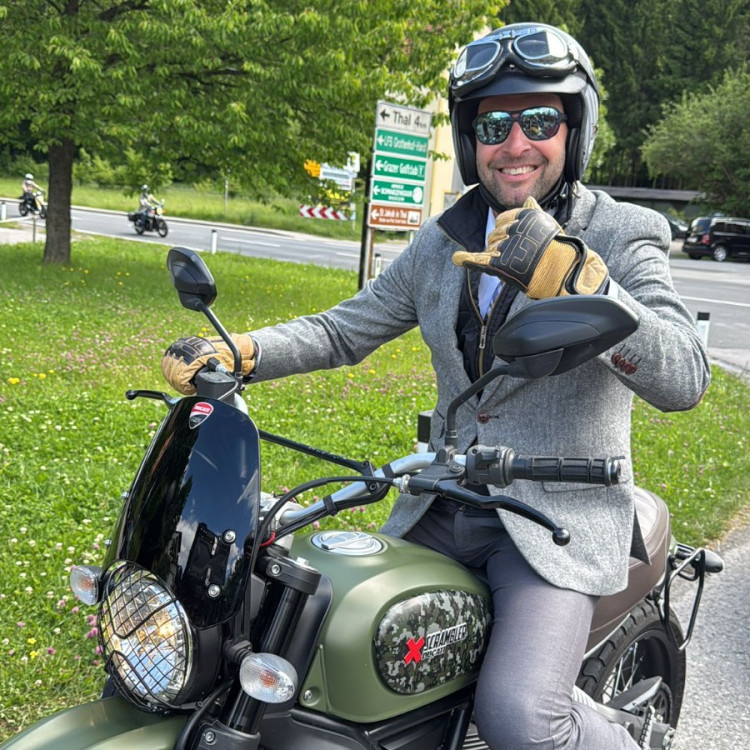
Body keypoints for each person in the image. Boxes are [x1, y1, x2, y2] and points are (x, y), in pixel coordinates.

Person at [161, 22, 710, 750]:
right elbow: (345, 328)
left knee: (521, 716)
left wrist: (583, 281)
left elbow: (684, 376)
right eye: (493, 124)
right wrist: (245, 351)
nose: (515, 143)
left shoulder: (623, 232)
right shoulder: (443, 238)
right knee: (313, 642)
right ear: (470, 137)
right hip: (442, 503)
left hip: (556, 518)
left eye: (538, 120)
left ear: (574, 130)